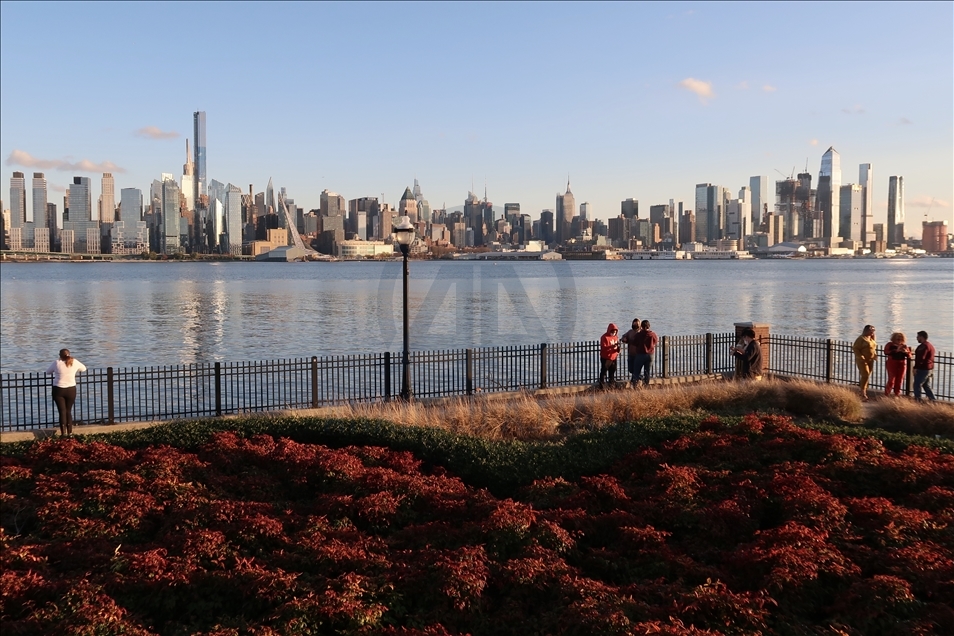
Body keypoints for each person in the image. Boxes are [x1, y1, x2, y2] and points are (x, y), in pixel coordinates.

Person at [46, 348, 87, 436]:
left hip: (59, 389)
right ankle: (70, 433)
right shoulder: (74, 362)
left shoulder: (57, 363)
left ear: (60, 355)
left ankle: (63, 433)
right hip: (71, 389)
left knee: (62, 412)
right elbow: (84, 369)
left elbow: (48, 372)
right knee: (68, 411)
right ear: (69, 354)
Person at [852, 325, 877, 401]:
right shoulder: (861, 339)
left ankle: (862, 390)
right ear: (867, 330)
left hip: (870, 360)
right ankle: (863, 393)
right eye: (872, 330)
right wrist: (861, 356)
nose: (873, 331)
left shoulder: (871, 339)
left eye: (873, 330)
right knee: (865, 374)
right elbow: (855, 348)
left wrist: (875, 355)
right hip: (862, 360)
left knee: (867, 375)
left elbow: (873, 348)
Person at [883, 332, 911, 397]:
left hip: (902, 364)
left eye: (901, 339)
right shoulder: (890, 345)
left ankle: (897, 394)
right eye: (898, 339)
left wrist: (906, 352)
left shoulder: (904, 346)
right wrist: (896, 351)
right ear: (894, 339)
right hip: (892, 363)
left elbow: (909, 355)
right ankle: (887, 394)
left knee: (900, 380)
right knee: (891, 380)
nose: (899, 341)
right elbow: (886, 352)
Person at [631, 320, 658, 386]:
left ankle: (635, 385)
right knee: (647, 372)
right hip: (650, 355)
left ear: (642, 327)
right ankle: (645, 385)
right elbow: (656, 341)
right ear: (649, 326)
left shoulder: (639, 335)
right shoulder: (653, 334)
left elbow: (634, 343)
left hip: (640, 354)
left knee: (636, 371)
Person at [913, 330, 937, 402]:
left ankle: (918, 401)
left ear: (921, 337)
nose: (916, 338)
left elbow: (921, 358)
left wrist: (915, 367)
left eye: (918, 337)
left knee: (917, 384)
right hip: (929, 368)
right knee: (926, 385)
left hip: (923, 369)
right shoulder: (930, 345)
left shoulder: (923, 347)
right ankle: (933, 400)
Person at [619, 318, 642, 386]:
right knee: (631, 369)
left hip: (638, 354)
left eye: (636, 323)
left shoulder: (641, 333)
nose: (635, 324)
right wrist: (624, 339)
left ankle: (635, 382)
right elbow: (624, 336)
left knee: (636, 369)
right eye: (634, 323)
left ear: (640, 324)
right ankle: (639, 378)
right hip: (630, 353)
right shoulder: (630, 332)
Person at [598, 323, 621, 389]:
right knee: (604, 371)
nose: (614, 333)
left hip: (614, 357)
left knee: (612, 371)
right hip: (606, 357)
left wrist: (618, 348)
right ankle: (602, 384)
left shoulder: (616, 337)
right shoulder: (604, 337)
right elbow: (604, 347)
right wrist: (611, 346)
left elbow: (616, 348)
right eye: (612, 332)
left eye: (615, 332)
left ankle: (611, 383)